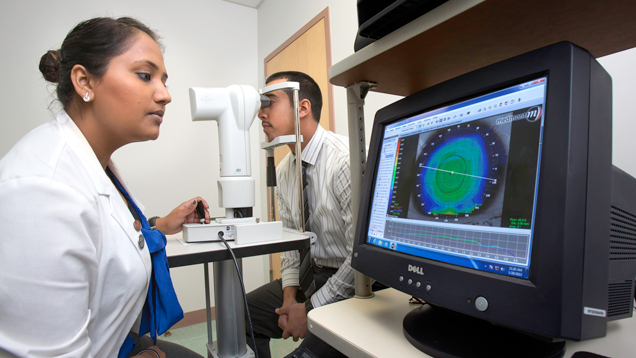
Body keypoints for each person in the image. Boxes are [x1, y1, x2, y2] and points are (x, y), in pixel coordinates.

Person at [0, 17, 207, 358]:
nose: (165, 95)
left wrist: (158, 225)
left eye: (164, 80)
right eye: (145, 75)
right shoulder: (41, 192)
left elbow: (102, 235)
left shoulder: (94, 162)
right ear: (84, 81)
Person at [246, 71, 353, 358]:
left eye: (269, 102)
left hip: (352, 281)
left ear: (303, 108)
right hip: (309, 275)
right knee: (241, 313)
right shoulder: (285, 170)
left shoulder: (345, 160)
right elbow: (292, 244)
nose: (260, 114)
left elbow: (361, 257)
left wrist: (310, 309)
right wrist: (290, 298)